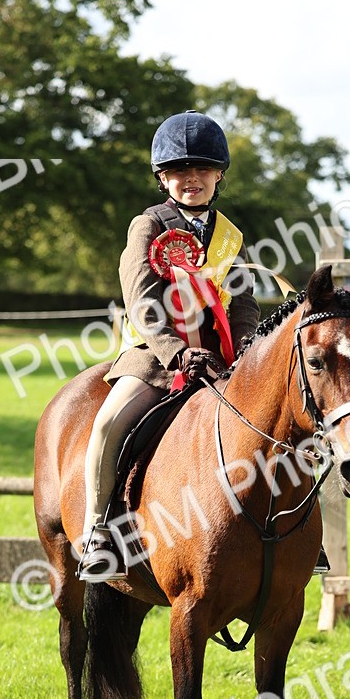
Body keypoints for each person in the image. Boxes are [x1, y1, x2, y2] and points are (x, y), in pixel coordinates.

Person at [78, 110, 260, 582]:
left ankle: (297, 533)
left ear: (219, 175)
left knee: (279, 423)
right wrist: (175, 351)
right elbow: (140, 299)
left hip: (220, 361)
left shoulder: (230, 236)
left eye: (201, 169)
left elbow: (241, 301)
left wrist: (244, 354)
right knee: (107, 423)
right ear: (163, 178)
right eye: (180, 170)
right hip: (156, 358)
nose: (191, 179)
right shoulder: (148, 226)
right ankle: (99, 529)